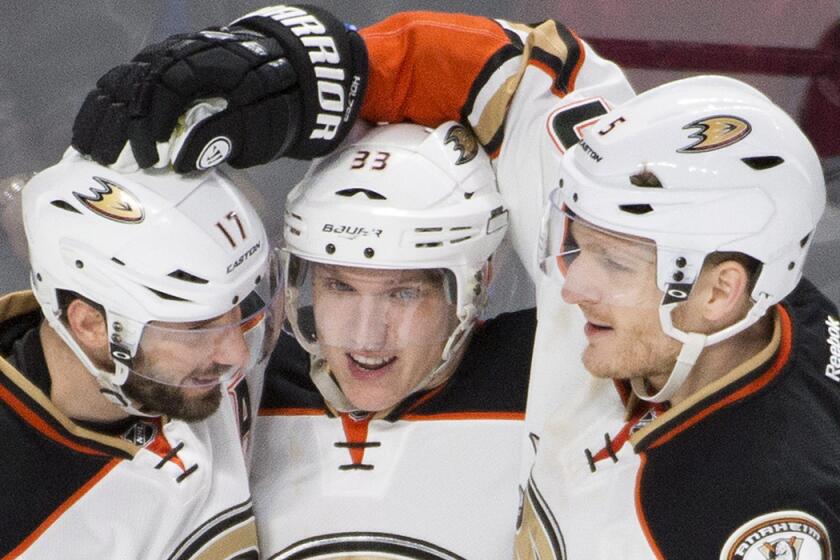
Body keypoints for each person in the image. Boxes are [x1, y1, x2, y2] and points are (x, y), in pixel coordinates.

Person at [69, 4, 840, 558]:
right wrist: (332, 71)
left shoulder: (741, 511)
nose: (567, 290)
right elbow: (534, 80)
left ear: (719, 292)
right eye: (338, 286)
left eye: (611, 262)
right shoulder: (720, 285)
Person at [250, 120, 533, 558]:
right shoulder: (242, 378)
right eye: (339, 287)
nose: (365, 337)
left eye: (404, 293)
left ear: (479, 282)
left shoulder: (541, 377)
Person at [1, 148, 281, 558]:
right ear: (90, 325)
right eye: (198, 327)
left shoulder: (196, 367)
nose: (238, 353)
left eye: (238, 312)